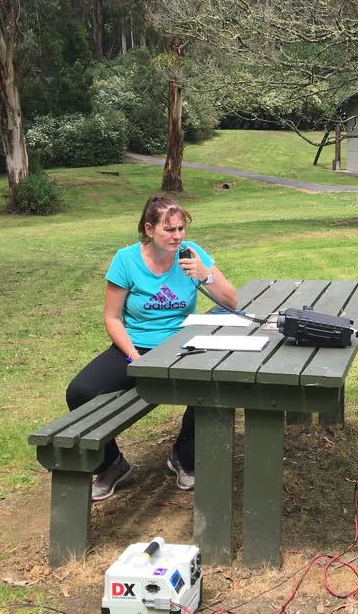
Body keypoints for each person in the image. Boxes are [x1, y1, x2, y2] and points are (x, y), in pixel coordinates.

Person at [66, 194, 238, 501]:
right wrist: (134, 357)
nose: (177, 236)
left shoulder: (191, 253)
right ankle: (111, 464)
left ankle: (184, 457)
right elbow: (112, 318)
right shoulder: (126, 260)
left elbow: (232, 301)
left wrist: (205, 274)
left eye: (181, 228)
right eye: (169, 229)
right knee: (80, 391)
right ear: (149, 229)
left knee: (212, 382)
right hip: (135, 348)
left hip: (183, 344)